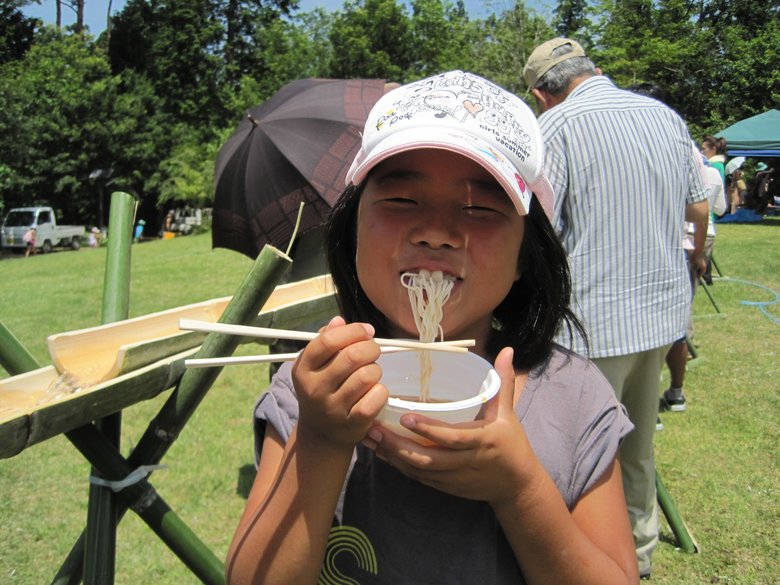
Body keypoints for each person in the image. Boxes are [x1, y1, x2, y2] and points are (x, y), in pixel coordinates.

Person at [226, 71, 639, 585]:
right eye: (402, 201)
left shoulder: (573, 397)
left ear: (524, 257)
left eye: (480, 208)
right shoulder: (313, 390)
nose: (438, 232)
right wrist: (321, 440)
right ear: (352, 232)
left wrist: (520, 490)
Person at [523, 38, 709, 579]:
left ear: (541, 95)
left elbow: (538, 234)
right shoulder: (664, 116)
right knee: (638, 447)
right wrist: (695, 260)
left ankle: (589, 557)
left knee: (580, 454)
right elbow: (698, 205)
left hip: (591, 325)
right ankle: (641, 555)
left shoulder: (554, 129)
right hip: (659, 317)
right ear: (596, 70)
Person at [662, 147, 727, 417]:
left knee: (665, 328)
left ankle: (662, 401)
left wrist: (698, 253)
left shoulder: (672, 158)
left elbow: (702, 213)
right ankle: (674, 394)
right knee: (676, 324)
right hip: (678, 248)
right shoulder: (700, 166)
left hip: (671, 249)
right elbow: (709, 212)